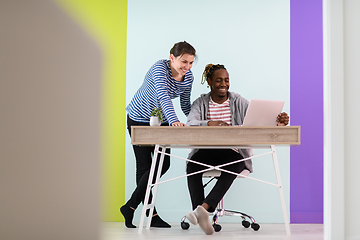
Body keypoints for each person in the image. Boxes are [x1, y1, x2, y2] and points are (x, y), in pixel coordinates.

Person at [185, 63, 289, 235]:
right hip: (206, 150)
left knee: (237, 163)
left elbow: (257, 120)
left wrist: (277, 123)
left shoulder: (238, 101)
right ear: (209, 81)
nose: (223, 84)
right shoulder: (201, 102)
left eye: (226, 80)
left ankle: (202, 209)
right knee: (192, 166)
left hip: (231, 152)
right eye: (218, 80)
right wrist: (212, 123)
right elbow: (191, 123)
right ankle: (201, 210)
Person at [120, 41, 196, 228]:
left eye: (191, 63)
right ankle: (151, 215)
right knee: (145, 166)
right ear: (172, 58)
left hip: (160, 120)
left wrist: (200, 117)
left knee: (164, 163)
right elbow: (163, 96)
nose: (187, 67)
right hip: (139, 119)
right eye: (183, 62)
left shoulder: (188, 77)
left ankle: (130, 206)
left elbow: (185, 105)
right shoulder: (159, 68)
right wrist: (173, 121)